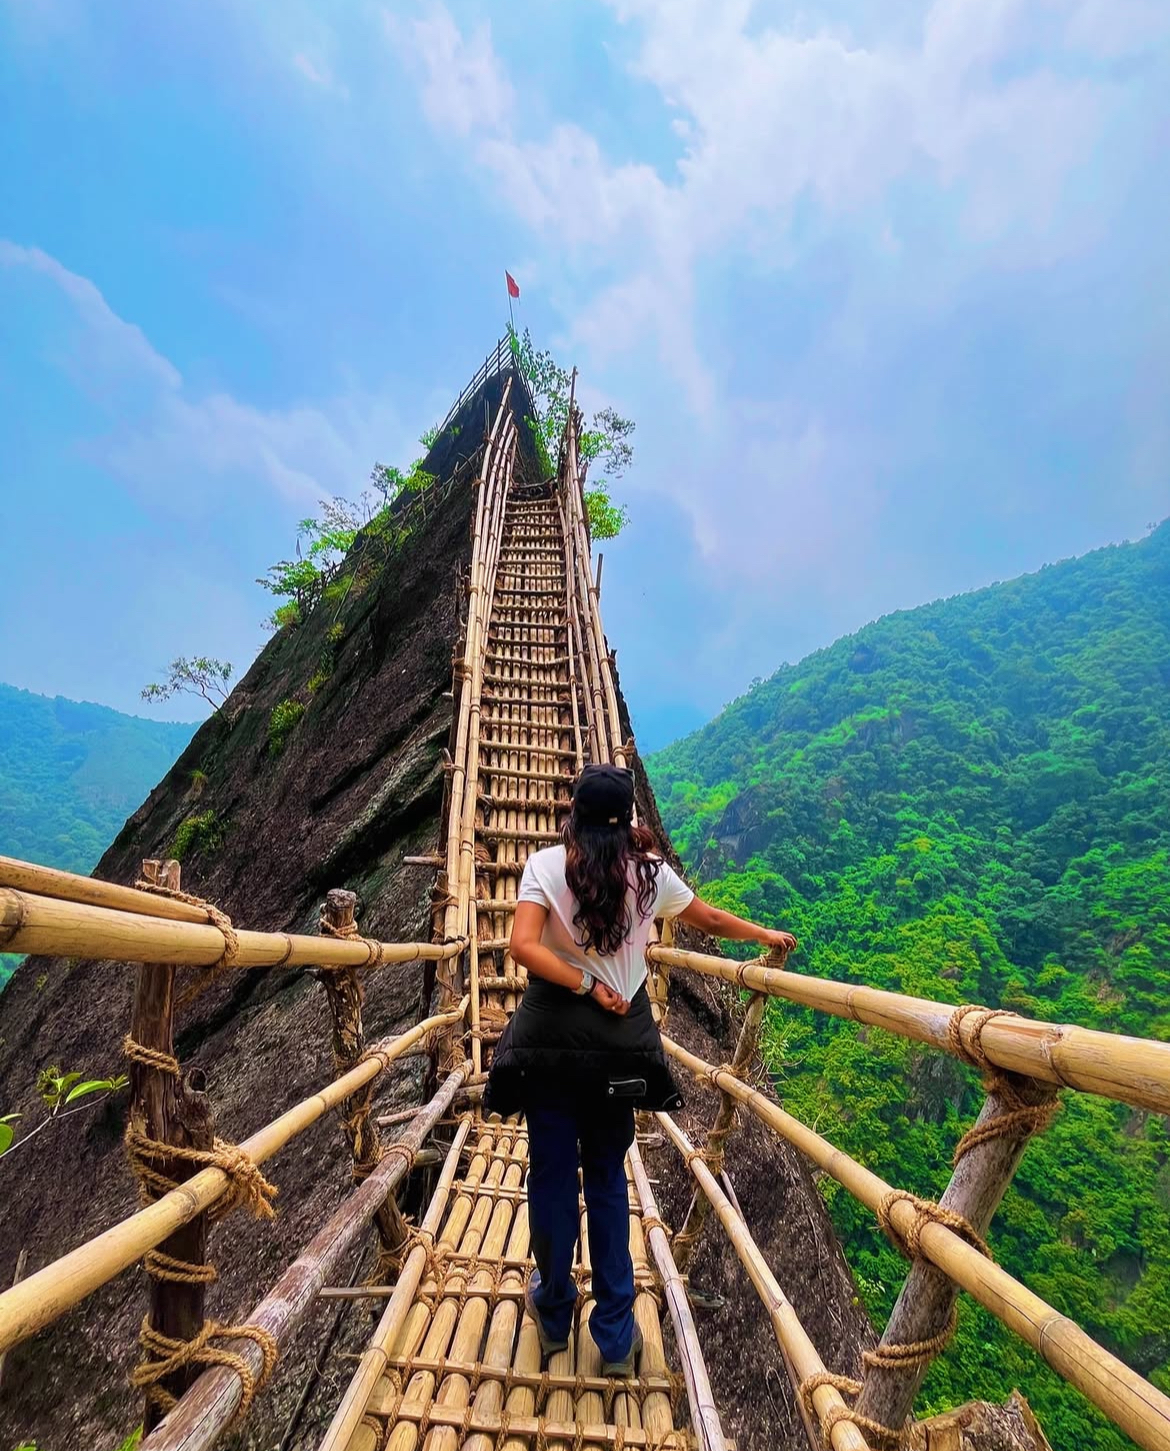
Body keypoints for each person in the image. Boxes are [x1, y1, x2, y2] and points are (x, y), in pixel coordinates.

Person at [484, 763, 797, 1377]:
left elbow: (521, 947)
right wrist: (764, 934)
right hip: (617, 1053)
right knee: (605, 1182)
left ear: (573, 813)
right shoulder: (649, 875)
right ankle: (617, 1339)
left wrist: (579, 981)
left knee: (549, 1179)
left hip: (549, 1045)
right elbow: (705, 919)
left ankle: (551, 1317)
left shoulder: (546, 866)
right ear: (628, 820)